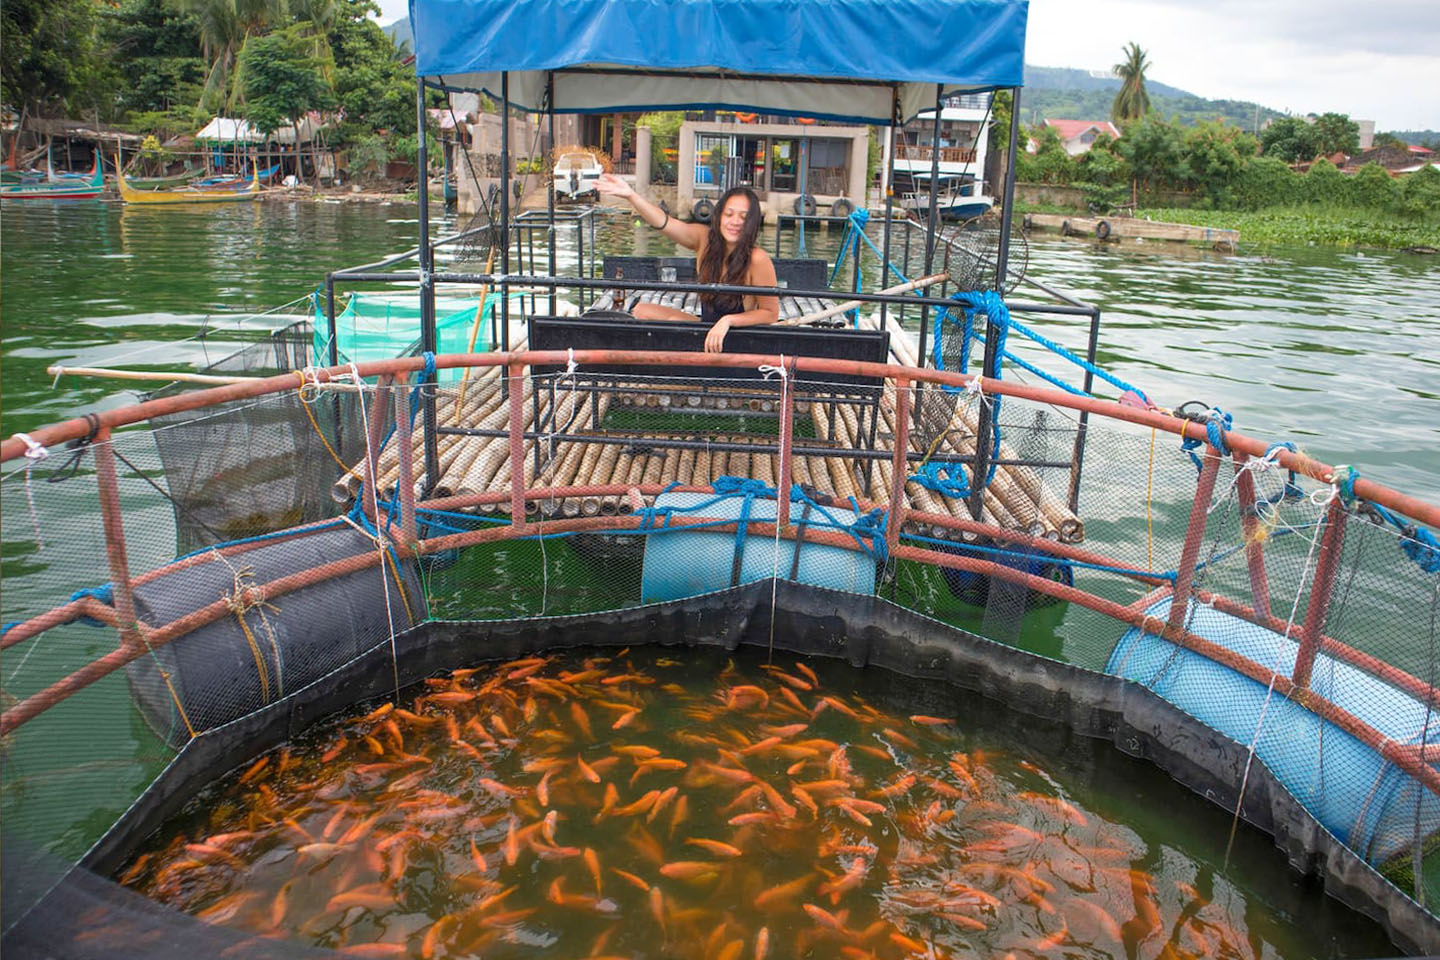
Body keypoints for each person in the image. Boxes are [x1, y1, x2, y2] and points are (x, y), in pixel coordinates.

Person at [594, 174, 779, 353]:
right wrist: (631, 195)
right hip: (705, 328)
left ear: (752, 222)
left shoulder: (757, 259)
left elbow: (770, 313)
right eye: (729, 214)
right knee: (642, 310)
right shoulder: (704, 240)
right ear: (720, 216)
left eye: (743, 217)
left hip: (733, 338)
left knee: (674, 321)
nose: (735, 222)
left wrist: (728, 321)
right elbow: (665, 223)